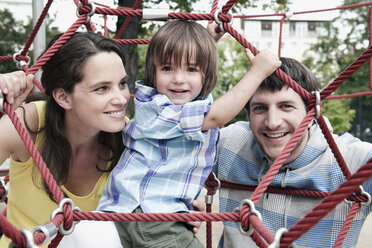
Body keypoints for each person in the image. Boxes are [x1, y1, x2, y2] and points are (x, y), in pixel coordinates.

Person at [97, 19, 281, 247]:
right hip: (150, 215)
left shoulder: (163, 102)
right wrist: (257, 72)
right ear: (153, 71)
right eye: (167, 68)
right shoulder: (161, 109)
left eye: (191, 69)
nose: (178, 79)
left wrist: (208, 40)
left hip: (136, 211)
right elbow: (216, 116)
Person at [214, 57, 372, 248]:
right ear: (248, 115)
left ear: (311, 111)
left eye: (286, 106)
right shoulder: (231, 143)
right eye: (260, 108)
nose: (272, 122)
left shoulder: (350, 162)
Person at [0, 31, 131, 247]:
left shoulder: (131, 140)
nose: (121, 98)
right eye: (102, 88)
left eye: (123, 84)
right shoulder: (27, 124)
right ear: (63, 97)